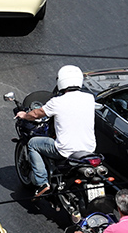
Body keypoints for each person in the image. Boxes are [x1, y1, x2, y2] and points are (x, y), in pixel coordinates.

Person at [17, 65, 98, 198]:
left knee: (33, 143)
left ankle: (42, 183)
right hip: (88, 150)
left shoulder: (57, 102)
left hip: (64, 150)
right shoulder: (89, 98)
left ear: (61, 81)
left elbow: (37, 114)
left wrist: (24, 115)